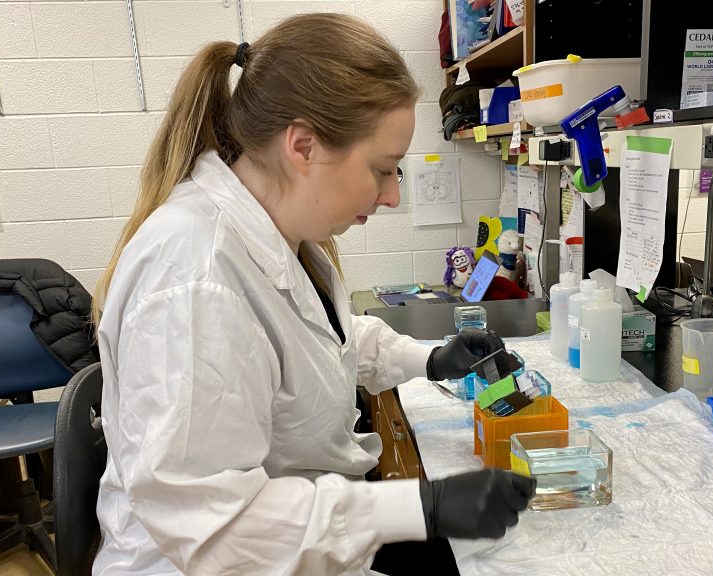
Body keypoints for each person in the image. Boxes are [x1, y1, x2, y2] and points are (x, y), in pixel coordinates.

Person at [89, 14, 535, 576]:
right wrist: (422, 504)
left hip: (300, 523)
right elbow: (215, 528)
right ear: (303, 146)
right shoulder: (194, 277)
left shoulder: (282, 235)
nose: (394, 196)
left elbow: (329, 339)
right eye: (384, 170)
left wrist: (431, 359)